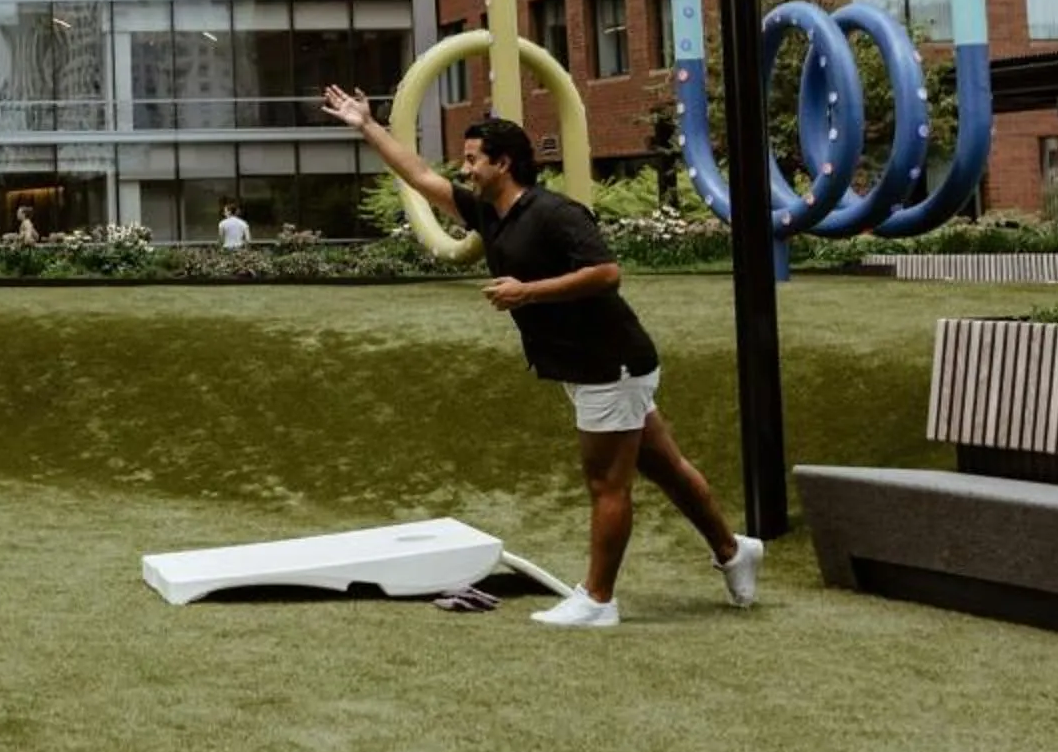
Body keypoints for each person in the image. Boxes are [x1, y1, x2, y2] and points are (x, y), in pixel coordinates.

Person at [319, 89, 762, 628]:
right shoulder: (489, 212)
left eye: (474, 159)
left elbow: (607, 273)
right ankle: (733, 551)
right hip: (589, 366)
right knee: (664, 467)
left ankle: (598, 600)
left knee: (606, 483)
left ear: (503, 163)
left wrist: (527, 292)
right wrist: (367, 126)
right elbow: (420, 176)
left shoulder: (554, 213)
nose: (465, 168)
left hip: (608, 363)